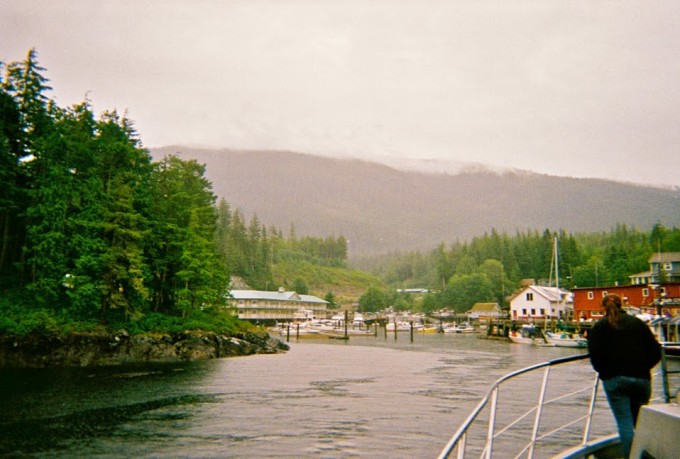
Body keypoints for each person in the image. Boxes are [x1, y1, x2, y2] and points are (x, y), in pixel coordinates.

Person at [587, 294, 661, 458]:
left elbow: (594, 355)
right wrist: (643, 368)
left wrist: (605, 373)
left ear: (603, 307)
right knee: (640, 421)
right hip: (641, 379)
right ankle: (648, 454)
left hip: (614, 380)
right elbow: (656, 351)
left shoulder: (599, 327)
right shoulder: (638, 323)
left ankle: (632, 457)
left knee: (624, 421)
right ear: (622, 305)